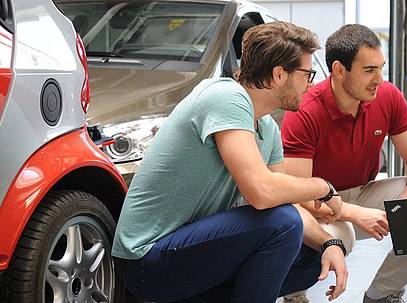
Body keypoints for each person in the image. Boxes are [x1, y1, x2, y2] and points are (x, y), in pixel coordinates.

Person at [112, 21, 349, 303]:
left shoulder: (267, 127)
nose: (310, 84)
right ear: (278, 75)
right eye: (307, 74)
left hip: (188, 252)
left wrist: (329, 243)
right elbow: (262, 193)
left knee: (310, 259)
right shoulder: (225, 96)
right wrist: (322, 186)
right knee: (282, 223)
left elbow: (285, 200)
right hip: (148, 260)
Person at [281, 24, 407, 303]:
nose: (378, 79)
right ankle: (293, 294)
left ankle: (382, 294)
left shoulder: (387, 95)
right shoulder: (305, 110)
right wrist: (351, 213)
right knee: (344, 235)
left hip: (363, 192)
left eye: (380, 68)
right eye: (369, 70)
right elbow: (298, 194)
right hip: (317, 208)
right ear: (339, 70)